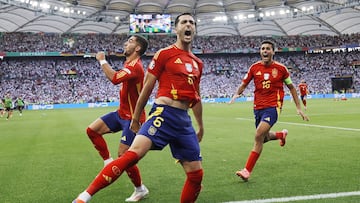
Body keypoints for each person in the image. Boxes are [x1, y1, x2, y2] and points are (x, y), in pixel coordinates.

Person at [73, 13, 204, 203]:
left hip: (184, 120)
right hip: (163, 114)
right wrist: (136, 117)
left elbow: (196, 98)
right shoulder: (164, 54)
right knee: (131, 155)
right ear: (176, 29)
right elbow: (147, 89)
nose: (188, 25)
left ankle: (137, 187)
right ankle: (84, 197)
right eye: (184, 22)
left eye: (192, 22)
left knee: (196, 175)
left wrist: (201, 126)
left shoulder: (198, 63)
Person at [229, 40, 309, 182]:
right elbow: (244, 84)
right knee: (264, 138)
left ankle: (247, 170)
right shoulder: (254, 68)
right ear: (260, 51)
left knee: (258, 135)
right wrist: (237, 93)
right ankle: (280, 135)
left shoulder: (281, 69)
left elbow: (291, 88)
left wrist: (298, 108)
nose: (265, 51)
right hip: (257, 108)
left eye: (268, 49)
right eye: (262, 49)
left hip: (273, 107)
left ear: (273, 52)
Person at [84, 34, 149, 202]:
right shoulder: (128, 64)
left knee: (124, 155)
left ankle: (140, 189)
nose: (126, 43)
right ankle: (107, 162)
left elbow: (114, 78)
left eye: (130, 41)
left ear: (138, 48)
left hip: (134, 118)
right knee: (92, 130)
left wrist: (102, 60)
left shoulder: (135, 66)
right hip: (121, 113)